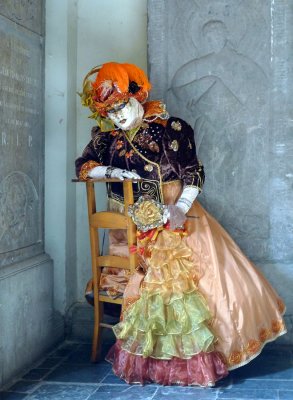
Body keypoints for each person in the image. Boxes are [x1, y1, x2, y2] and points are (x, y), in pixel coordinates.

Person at [75, 62, 286, 386]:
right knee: (140, 286)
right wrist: (113, 172)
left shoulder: (170, 129)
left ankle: (193, 362)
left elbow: (193, 173)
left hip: (174, 215)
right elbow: (84, 167)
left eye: (121, 107)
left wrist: (181, 207)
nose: (117, 117)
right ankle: (153, 361)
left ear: (138, 95)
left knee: (191, 286)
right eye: (111, 112)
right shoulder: (107, 141)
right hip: (128, 225)